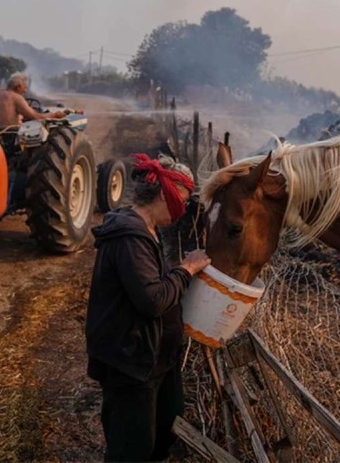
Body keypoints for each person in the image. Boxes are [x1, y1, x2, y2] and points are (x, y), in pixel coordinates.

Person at [85, 154, 210, 462]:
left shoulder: (147, 230)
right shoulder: (131, 238)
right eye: (178, 202)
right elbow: (152, 300)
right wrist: (186, 270)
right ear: (161, 195)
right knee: (131, 447)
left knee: (165, 427)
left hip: (152, 358)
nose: (181, 212)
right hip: (131, 362)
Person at [0, 73, 68, 126]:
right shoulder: (16, 97)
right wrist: (55, 115)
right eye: (24, 88)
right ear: (18, 87)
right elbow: (36, 117)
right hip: (7, 136)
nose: (25, 91)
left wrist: (19, 117)